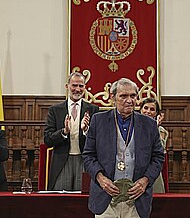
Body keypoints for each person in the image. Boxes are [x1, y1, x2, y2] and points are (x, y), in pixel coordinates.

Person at [82, 78, 164, 218]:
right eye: (123, 96)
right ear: (113, 97)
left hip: (137, 200)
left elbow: (158, 157)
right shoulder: (98, 121)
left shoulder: (149, 124)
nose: (129, 100)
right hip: (105, 198)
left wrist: (145, 180)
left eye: (133, 96)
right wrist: (100, 178)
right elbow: (88, 155)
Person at [44, 72, 99, 191]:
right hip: (62, 161)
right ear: (67, 86)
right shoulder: (55, 110)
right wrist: (64, 131)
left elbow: (99, 140)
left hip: (84, 161)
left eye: (81, 86)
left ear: (85, 87)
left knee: (83, 199)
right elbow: (47, 140)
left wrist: (86, 131)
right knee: (61, 201)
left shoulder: (93, 110)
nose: (77, 89)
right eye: (74, 85)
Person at [140, 97, 168, 193]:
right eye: (145, 108)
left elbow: (161, 151)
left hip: (152, 172)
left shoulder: (161, 131)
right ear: (141, 110)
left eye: (152, 109)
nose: (148, 111)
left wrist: (155, 128)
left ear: (156, 113)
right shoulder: (132, 127)